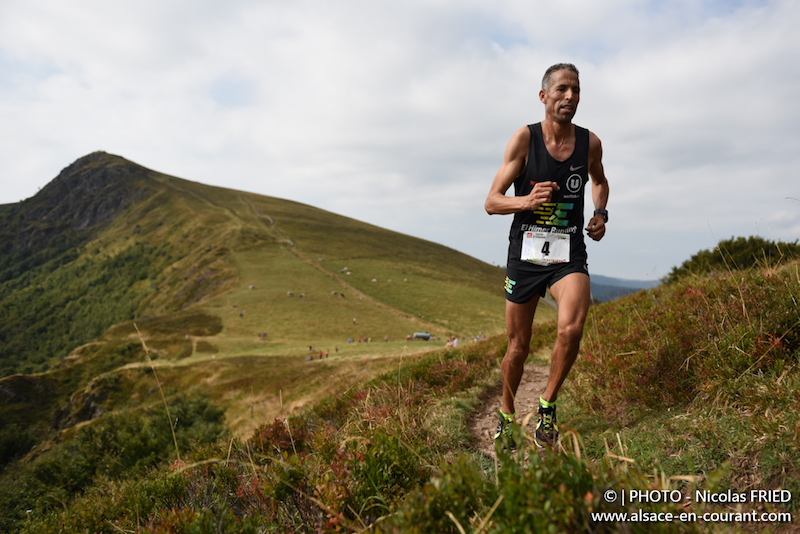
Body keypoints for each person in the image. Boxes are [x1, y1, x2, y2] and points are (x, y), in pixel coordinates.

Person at [484, 63, 609, 449]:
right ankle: (506, 416)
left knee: (571, 328)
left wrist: (600, 213)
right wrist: (527, 199)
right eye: (562, 90)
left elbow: (600, 181)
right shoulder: (524, 139)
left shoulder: (590, 143)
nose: (570, 97)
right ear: (544, 97)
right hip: (525, 255)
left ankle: (546, 407)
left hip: (568, 253)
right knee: (518, 347)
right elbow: (491, 202)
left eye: (576, 90)